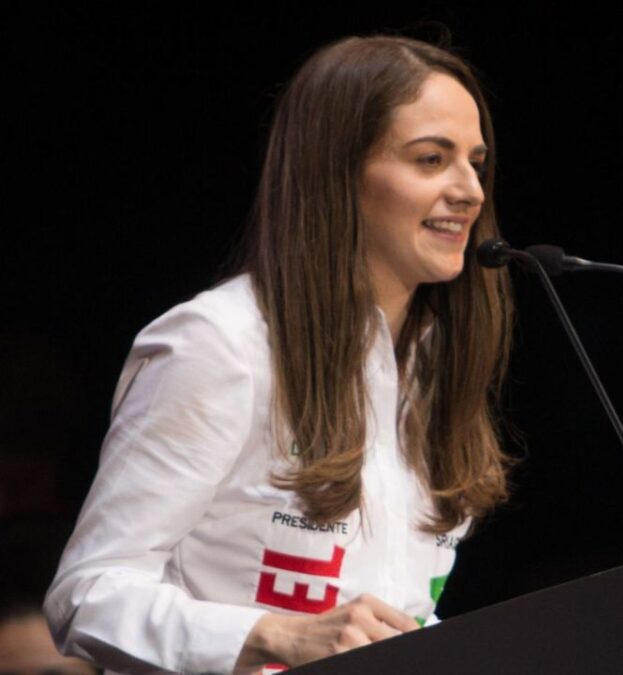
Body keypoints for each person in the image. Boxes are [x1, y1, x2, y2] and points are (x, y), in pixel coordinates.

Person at [43, 35, 513, 674]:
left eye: (475, 164)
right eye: (431, 160)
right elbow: (88, 595)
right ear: (338, 173)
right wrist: (276, 636)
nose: (470, 191)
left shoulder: (428, 367)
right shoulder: (220, 346)